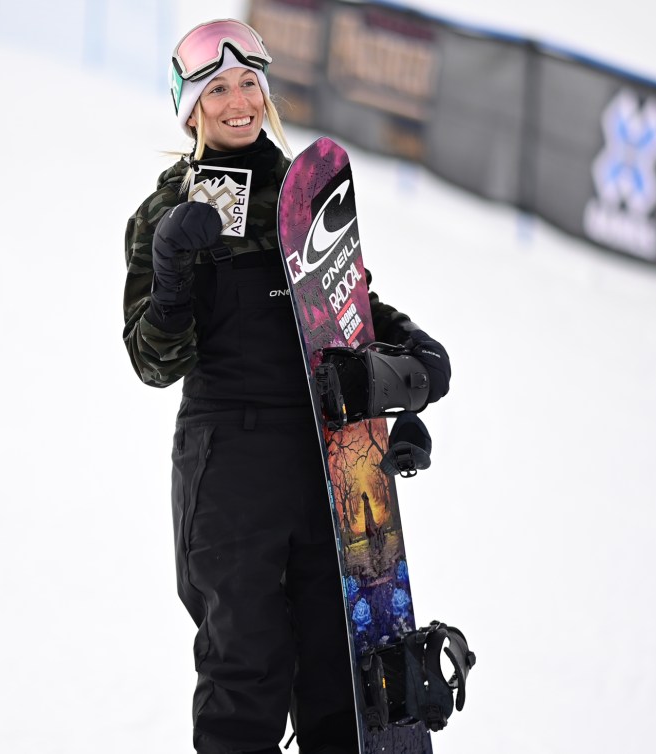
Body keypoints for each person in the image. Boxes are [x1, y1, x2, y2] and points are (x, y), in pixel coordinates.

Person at [121, 18, 452, 754]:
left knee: (344, 682)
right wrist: (173, 273)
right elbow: (153, 362)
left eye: (248, 83)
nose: (236, 101)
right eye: (215, 89)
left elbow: (352, 314)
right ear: (190, 108)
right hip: (230, 465)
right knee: (248, 671)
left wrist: (405, 380)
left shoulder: (308, 199)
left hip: (326, 465)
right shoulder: (161, 214)